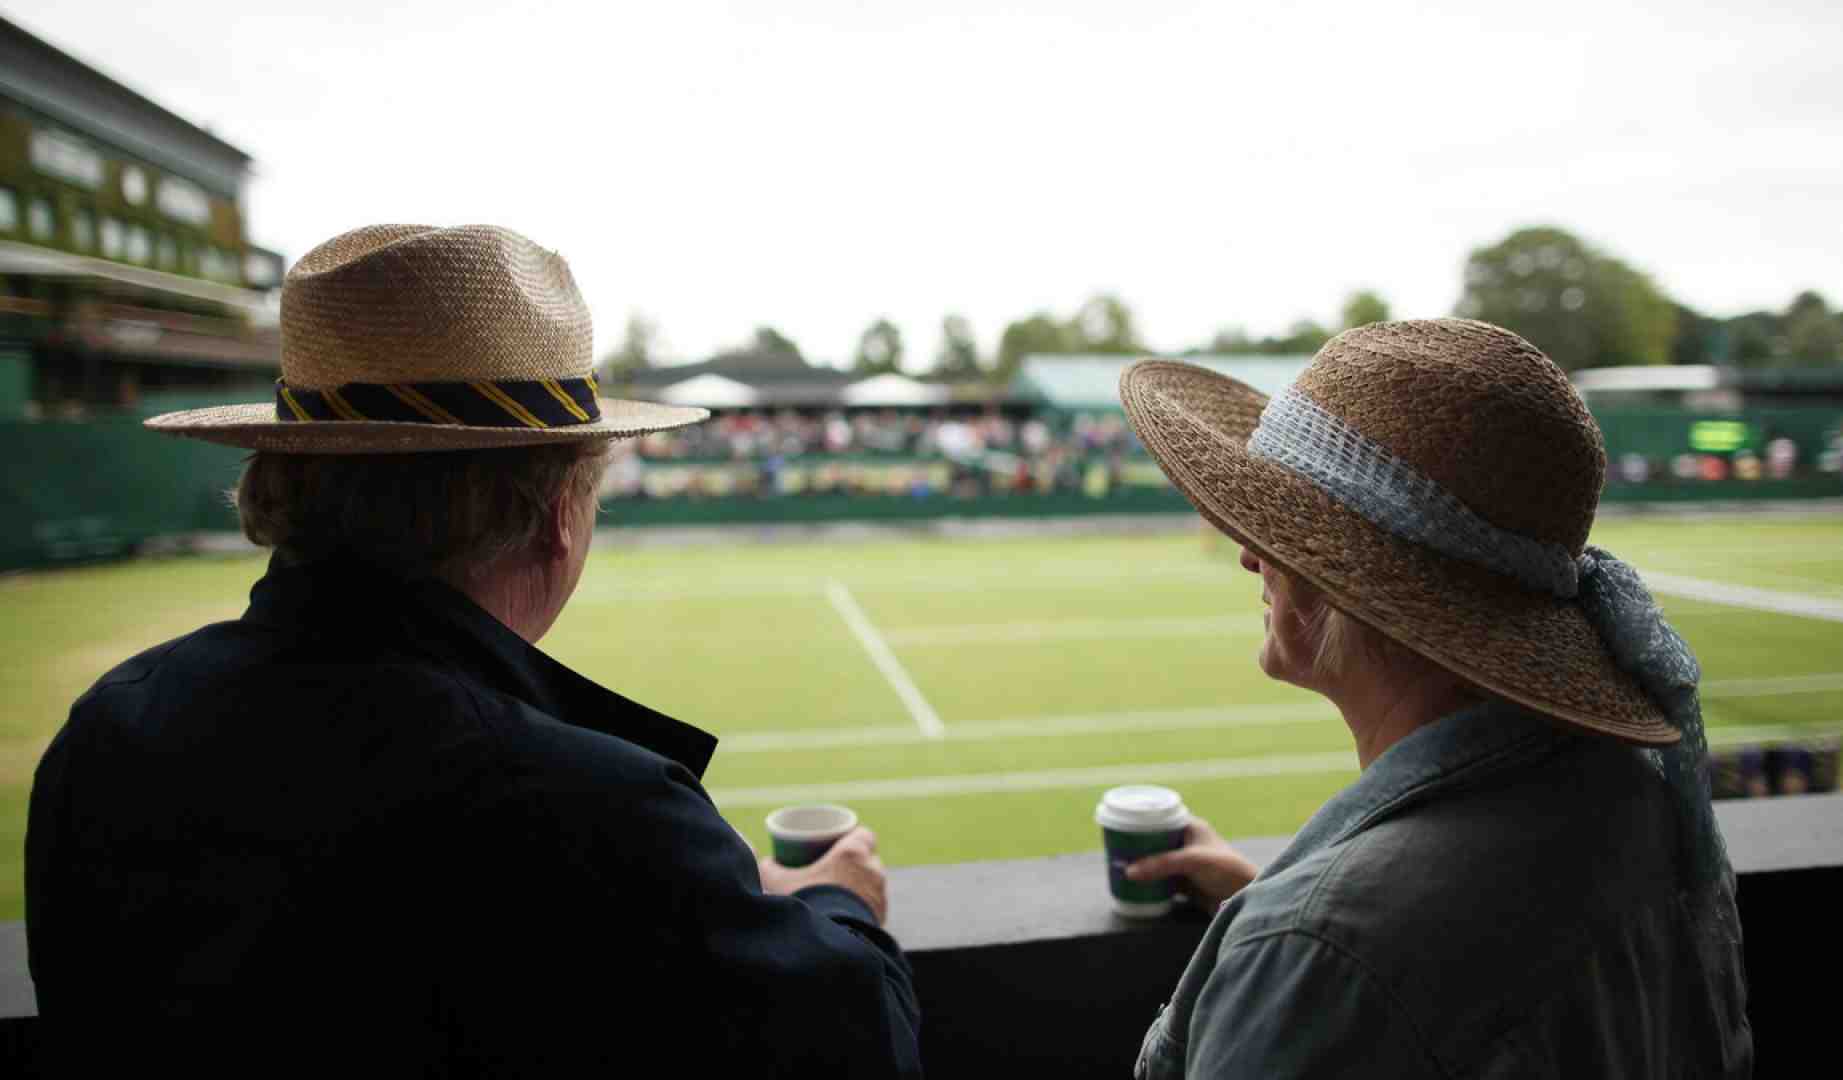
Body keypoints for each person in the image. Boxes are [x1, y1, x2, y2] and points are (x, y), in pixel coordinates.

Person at [25, 224, 921, 1076]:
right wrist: (838, 903)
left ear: (282, 479)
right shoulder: (596, 812)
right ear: (557, 515)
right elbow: (858, 1043)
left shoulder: (112, 731)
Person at [1115, 319, 1752, 1078]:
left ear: (1354, 586)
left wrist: (1293, 941)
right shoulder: (1629, 801)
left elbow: (1383, 974)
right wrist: (1272, 904)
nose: (1252, 556)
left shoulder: (1319, 952)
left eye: (1276, 533)